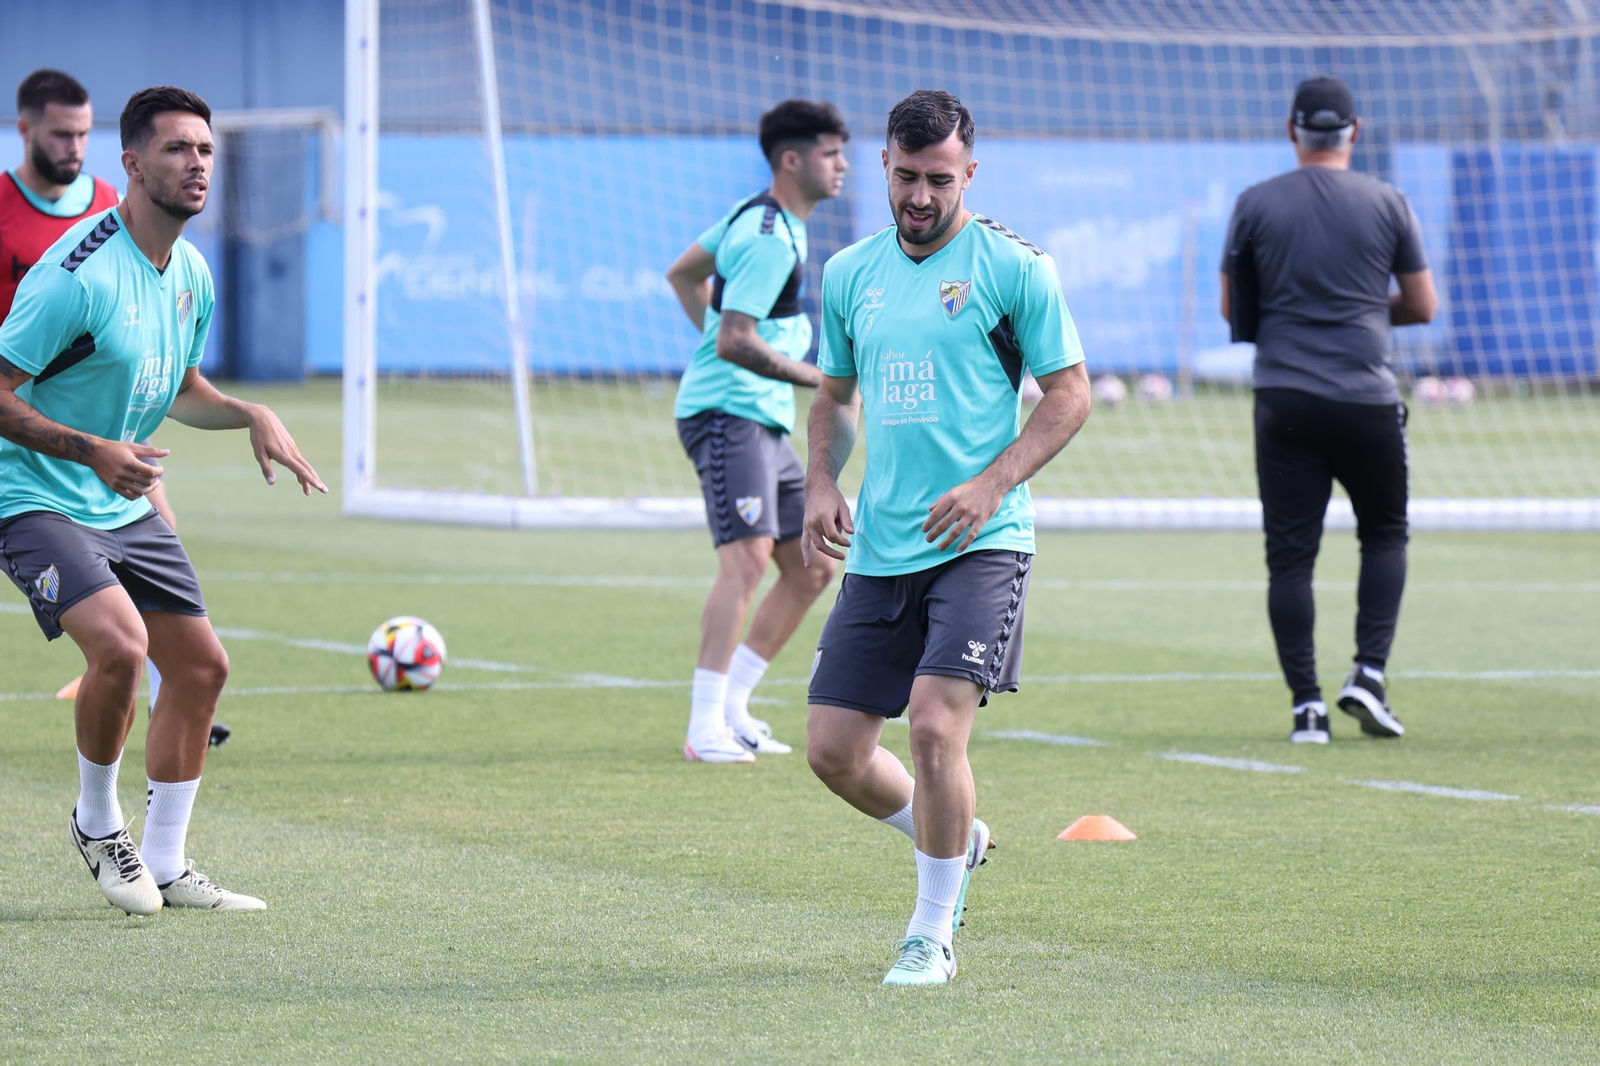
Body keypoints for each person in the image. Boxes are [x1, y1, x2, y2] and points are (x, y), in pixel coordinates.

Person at [0, 86, 326, 915]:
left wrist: (249, 412)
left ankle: (169, 862)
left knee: (202, 667)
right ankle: (97, 821)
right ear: (134, 164)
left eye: (206, 151)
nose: (197, 164)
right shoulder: (73, 277)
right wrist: (91, 450)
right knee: (118, 646)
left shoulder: (190, 271)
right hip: (32, 495)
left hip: (123, 499)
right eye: (178, 149)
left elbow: (179, 385)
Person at [801, 90, 1091, 985]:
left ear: (970, 172)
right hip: (883, 546)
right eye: (904, 177)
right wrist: (819, 481)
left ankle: (931, 934)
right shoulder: (849, 273)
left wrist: (989, 483)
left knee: (933, 730)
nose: (919, 196)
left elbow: (1069, 394)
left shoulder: (1014, 270)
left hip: (984, 540)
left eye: (938, 179)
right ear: (884, 167)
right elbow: (835, 397)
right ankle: (954, 838)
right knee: (834, 752)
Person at [1220, 76, 1437, 744]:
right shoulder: (1389, 201)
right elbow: (1423, 306)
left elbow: (1237, 312)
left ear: (1292, 131)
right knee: (1385, 534)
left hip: (1284, 398)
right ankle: (1368, 674)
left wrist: (1292, 319)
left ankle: (1306, 707)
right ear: (1355, 131)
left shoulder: (1256, 203)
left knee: (1289, 559)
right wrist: (1366, 312)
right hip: (1367, 397)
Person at [1, 70, 200, 732]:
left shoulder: (114, 205)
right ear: (25, 130)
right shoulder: (20, 223)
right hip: (18, 414)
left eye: (84, 133)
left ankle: (162, 686)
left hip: (85, 420)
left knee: (162, 549)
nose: (73, 146)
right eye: (62, 132)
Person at [664, 100, 850, 762]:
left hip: (759, 418)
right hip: (728, 415)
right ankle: (702, 726)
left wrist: (718, 345)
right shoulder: (769, 237)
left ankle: (735, 707)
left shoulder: (757, 218)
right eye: (832, 154)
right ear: (792, 160)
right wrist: (821, 380)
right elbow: (737, 338)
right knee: (745, 562)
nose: (844, 165)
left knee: (815, 563)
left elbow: (682, 274)